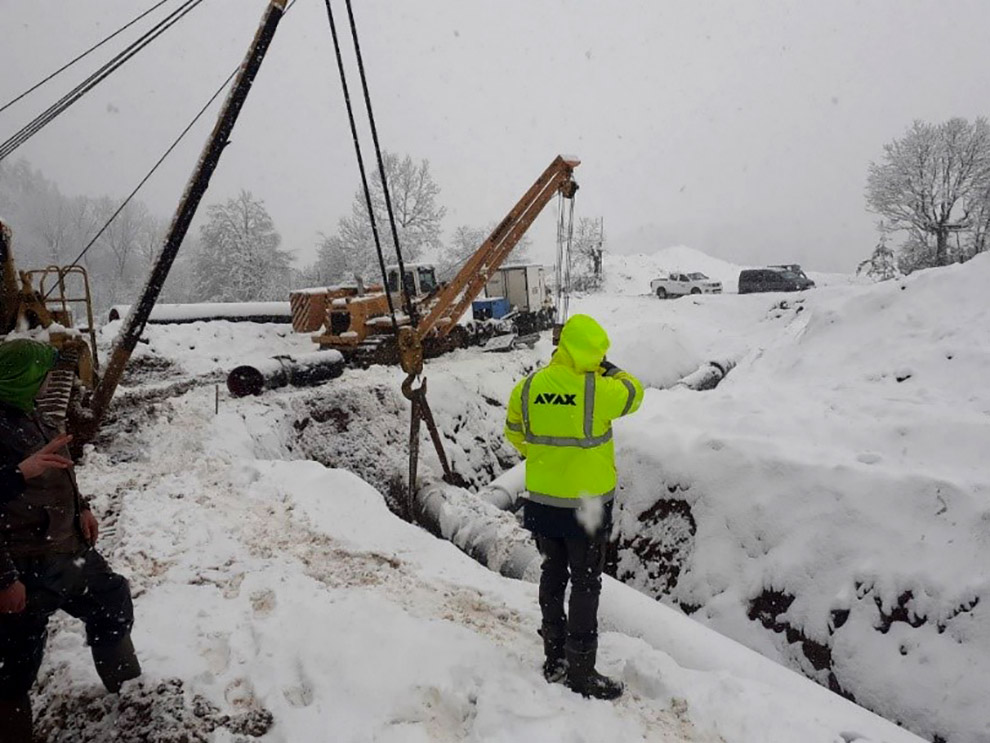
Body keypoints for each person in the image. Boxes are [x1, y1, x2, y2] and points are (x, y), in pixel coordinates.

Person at [0, 339, 140, 742]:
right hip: (21, 564)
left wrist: (82, 505)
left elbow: (54, 467)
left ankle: (128, 694)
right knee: (12, 664)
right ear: (21, 378)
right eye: (43, 375)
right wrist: (3, 579)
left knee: (111, 600)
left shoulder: (30, 413)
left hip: (66, 551)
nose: (50, 383)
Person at [504, 314, 643, 700]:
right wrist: (610, 369)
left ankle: (554, 658)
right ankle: (581, 672)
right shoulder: (599, 389)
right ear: (592, 354)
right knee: (585, 583)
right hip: (588, 505)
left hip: (543, 501)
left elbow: (514, 431)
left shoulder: (529, 386)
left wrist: (544, 459)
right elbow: (635, 391)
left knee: (552, 572)